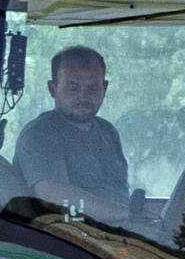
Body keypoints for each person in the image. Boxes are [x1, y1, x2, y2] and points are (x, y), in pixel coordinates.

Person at [7, 44, 130, 216]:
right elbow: (53, 197)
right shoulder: (40, 134)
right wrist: (125, 214)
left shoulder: (108, 131)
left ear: (105, 88)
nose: (83, 96)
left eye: (92, 88)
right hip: (70, 231)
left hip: (121, 227)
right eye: (73, 88)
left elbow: (120, 192)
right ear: (52, 89)